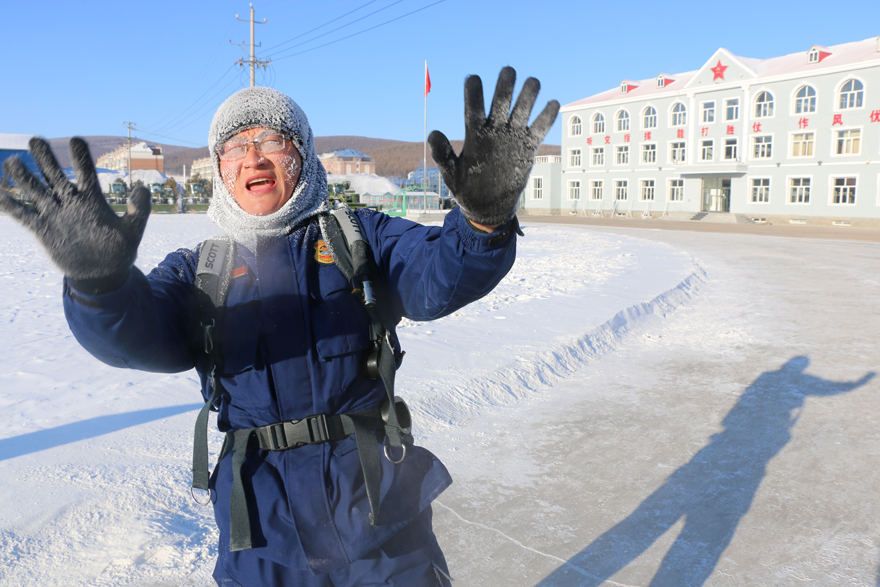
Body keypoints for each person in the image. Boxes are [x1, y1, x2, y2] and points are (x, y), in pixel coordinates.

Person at [0, 67, 558, 586]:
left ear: (303, 155)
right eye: (235, 148)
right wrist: (98, 285)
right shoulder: (201, 270)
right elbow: (136, 336)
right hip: (259, 530)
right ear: (220, 169)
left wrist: (483, 221)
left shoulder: (357, 237)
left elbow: (439, 276)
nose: (254, 159)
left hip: (376, 515)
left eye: (272, 141)